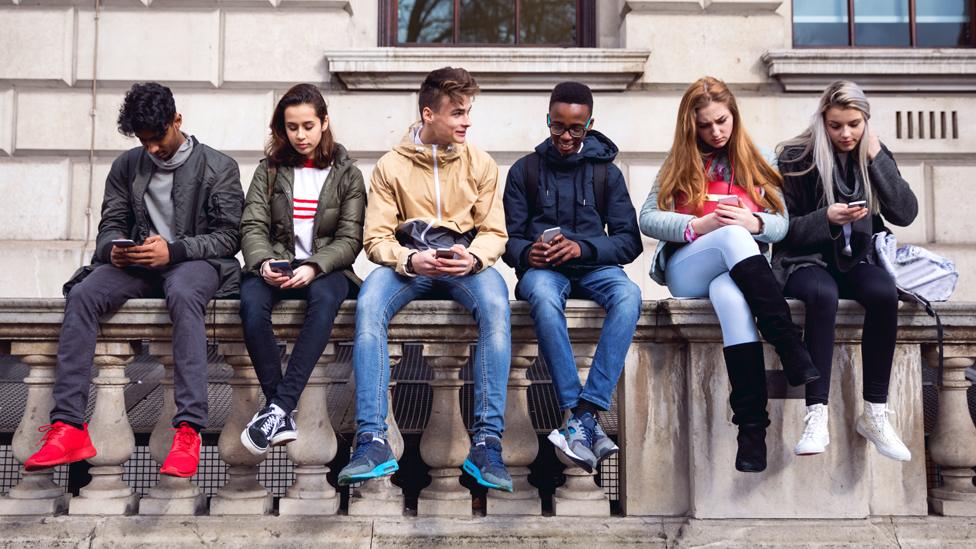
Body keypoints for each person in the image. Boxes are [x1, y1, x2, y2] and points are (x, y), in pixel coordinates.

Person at [25, 82, 244, 478]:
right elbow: (110, 225)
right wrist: (114, 250)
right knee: (85, 293)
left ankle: (189, 429)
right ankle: (69, 426)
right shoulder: (127, 166)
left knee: (183, 292)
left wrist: (173, 251)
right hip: (138, 267)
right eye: (144, 141)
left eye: (158, 137)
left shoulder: (219, 166)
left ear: (177, 121)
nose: (152, 149)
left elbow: (229, 237)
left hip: (193, 264)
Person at [336, 67, 513, 491]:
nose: (466, 121)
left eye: (468, 111)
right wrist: (410, 260)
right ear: (429, 113)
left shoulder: (481, 163)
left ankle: (487, 443)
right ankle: (372, 439)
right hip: (408, 267)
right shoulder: (390, 166)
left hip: (464, 264)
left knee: (495, 305)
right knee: (369, 305)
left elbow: (495, 232)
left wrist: (471, 257)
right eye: (457, 113)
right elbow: (375, 238)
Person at [638, 76, 818, 473]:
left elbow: (782, 224)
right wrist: (700, 226)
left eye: (722, 121)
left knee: (733, 301)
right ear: (691, 125)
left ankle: (752, 431)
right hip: (689, 268)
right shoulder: (680, 161)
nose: (716, 131)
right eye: (705, 125)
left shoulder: (759, 159)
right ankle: (788, 344)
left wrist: (753, 222)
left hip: (734, 271)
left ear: (734, 115)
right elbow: (647, 217)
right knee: (732, 237)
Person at [502, 82, 642, 473]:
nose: (565, 136)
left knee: (629, 295)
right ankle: (575, 412)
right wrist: (527, 252)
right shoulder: (524, 171)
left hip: (596, 269)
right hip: (544, 272)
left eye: (575, 129)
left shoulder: (606, 174)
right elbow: (506, 239)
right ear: (548, 120)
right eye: (558, 126)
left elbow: (630, 242)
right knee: (544, 300)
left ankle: (586, 412)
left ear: (589, 125)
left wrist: (583, 248)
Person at [775, 81, 918, 461]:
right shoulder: (796, 157)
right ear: (823, 120)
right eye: (836, 125)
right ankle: (816, 414)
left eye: (854, 124)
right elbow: (782, 228)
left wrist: (876, 158)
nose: (845, 134)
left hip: (857, 260)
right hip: (804, 262)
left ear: (866, 122)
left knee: (885, 293)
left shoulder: (872, 154)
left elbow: (905, 212)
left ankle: (874, 412)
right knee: (823, 296)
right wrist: (827, 218)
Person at [237, 84, 365, 455]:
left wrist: (313, 266)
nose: (300, 135)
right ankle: (280, 408)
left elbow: (350, 238)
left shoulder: (347, 175)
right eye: (292, 127)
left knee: (324, 301)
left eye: (308, 125)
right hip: (276, 264)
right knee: (249, 302)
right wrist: (262, 264)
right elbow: (252, 225)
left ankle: (278, 407)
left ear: (324, 123)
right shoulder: (270, 171)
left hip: (327, 270)